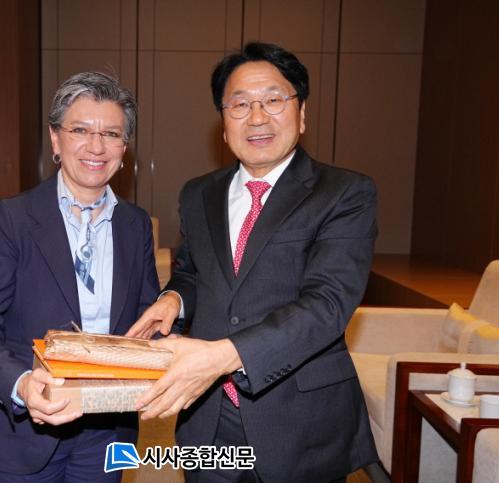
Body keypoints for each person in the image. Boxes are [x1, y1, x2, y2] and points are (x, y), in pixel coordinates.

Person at [127, 42, 379, 482]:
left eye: (273, 100)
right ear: (223, 124)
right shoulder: (198, 193)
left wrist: (222, 356)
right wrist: (173, 300)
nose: (257, 117)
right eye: (240, 104)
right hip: (208, 417)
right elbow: (191, 272)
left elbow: (328, 304)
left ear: (302, 113)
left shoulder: (344, 193)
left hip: (299, 419)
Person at [0, 72, 160, 482]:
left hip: (105, 429)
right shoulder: (13, 218)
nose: (96, 146)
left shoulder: (135, 225)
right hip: (20, 430)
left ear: (124, 147)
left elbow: (145, 317)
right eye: (80, 130)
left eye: (111, 134)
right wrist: (22, 384)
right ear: (55, 139)